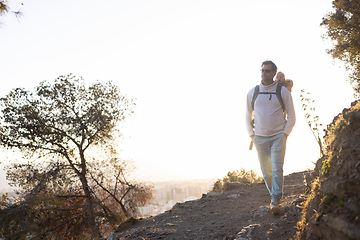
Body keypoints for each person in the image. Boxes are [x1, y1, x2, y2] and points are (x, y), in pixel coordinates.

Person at [245, 60, 296, 214]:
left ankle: (275, 199)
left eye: (267, 71)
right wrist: (252, 135)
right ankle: (274, 194)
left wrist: (285, 134)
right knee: (266, 170)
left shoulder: (283, 92)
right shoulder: (252, 92)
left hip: (278, 137)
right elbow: (248, 115)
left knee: (276, 168)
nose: (264, 73)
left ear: (274, 73)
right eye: (262, 70)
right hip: (259, 138)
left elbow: (292, 116)